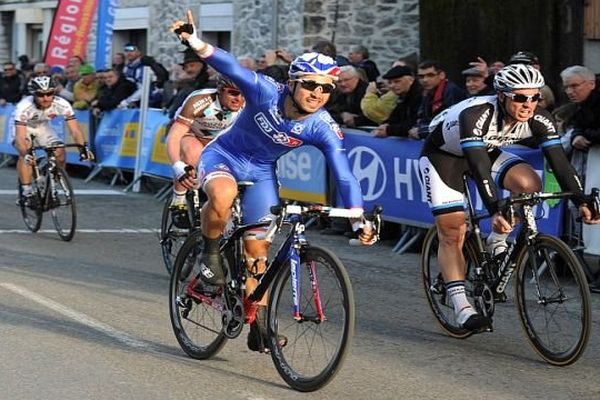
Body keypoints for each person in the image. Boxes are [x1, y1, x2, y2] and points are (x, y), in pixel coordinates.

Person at [171, 10, 375, 351]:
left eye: (326, 88)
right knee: (222, 193)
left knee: (256, 251)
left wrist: (357, 216)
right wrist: (194, 41)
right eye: (310, 84)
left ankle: (260, 327)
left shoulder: (321, 125)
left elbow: (343, 172)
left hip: (262, 171)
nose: (317, 93)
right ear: (293, 83)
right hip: (223, 157)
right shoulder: (265, 90)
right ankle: (209, 255)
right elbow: (229, 65)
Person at [418, 64, 600, 331]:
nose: (528, 104)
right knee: (453, 230)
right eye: (520, 97)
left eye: (534, 97)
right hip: (444, 157)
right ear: (502, 96)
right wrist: (494, 208)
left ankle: (497, 240)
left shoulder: (540, 118)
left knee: (529, 183)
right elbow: (479, 166)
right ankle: (462, 306)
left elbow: (560, 163)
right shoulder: (477, 113)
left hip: (485, 150)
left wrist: (581, 200)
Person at [166, 75, 245, 228]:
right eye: (233, 93)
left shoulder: (249, 104)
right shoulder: (201, 100)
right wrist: (177, 165)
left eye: (243, 94)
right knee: (193, 153)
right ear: (220, 90)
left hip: (218, 140)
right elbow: (174, 136)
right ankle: (178, 200)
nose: (239, 99)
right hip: (190, 133)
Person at [11, 76, 93, 205]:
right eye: (40, 95)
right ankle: (26, 192)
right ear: (33, 95)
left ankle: (48, 184)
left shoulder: (62, 104)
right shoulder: (24, 106)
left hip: (42, 126)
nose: (45, 98)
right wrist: (25, 153)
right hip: (23, 127)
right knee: (26, 152)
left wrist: (83, 148)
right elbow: (20, 137)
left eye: (49, 94)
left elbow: (75, 130)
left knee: (60, 151)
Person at [410, 60, 467, 139]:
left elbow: (451, 124)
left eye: (430, 75)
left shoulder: (451, 91)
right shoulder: (427, 93)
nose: (425, 80)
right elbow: (423, 117)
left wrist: (421, 131)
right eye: (421, 76)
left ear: (442, 75)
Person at [370, 65, 423, 138]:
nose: (392, 86)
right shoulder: (402, 96)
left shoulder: (421, 96)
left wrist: (389, 130)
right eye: (390, 82)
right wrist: (385, 125)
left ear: (411, 80)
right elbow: (395, 117)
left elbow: (414, 123)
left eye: (397, 81)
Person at [167, 48, 210, 119]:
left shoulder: (211, 87)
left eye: (192, 66)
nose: (188, 70)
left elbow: (173, 114)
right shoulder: (184, 86)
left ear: (201, 66)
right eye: (186, 67)